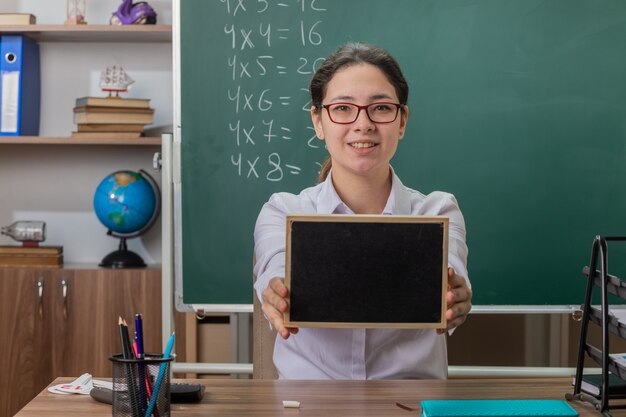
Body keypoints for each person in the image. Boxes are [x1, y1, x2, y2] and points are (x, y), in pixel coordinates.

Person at [253, 42, 472, 380]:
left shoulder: (437, 211)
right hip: (308, 406)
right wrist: (275, 294)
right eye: (342, 108)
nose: (363, 123)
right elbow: (275, 271)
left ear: (402, 121)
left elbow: (450, 279)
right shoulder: (283, 211)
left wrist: (454, 297)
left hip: (412, 404)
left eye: (381, 108)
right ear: (318, 121)